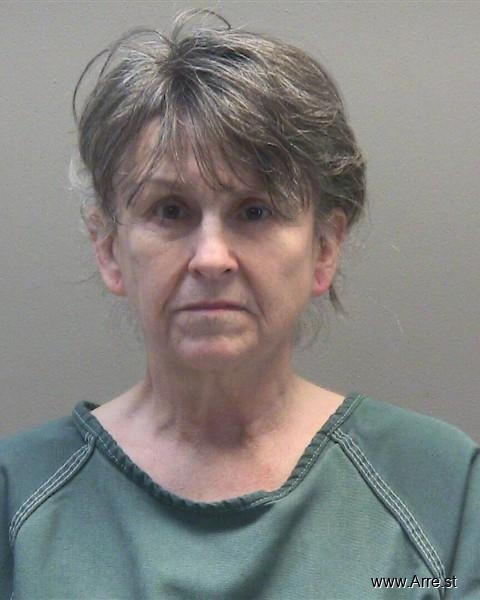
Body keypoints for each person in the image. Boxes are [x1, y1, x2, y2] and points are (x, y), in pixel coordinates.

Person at [1, 9, 478, 599]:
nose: (211, 258)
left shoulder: (442, 489)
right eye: (169, 211)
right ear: (109, 249)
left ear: (324, 249)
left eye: (255, 212)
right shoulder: (17, 500)